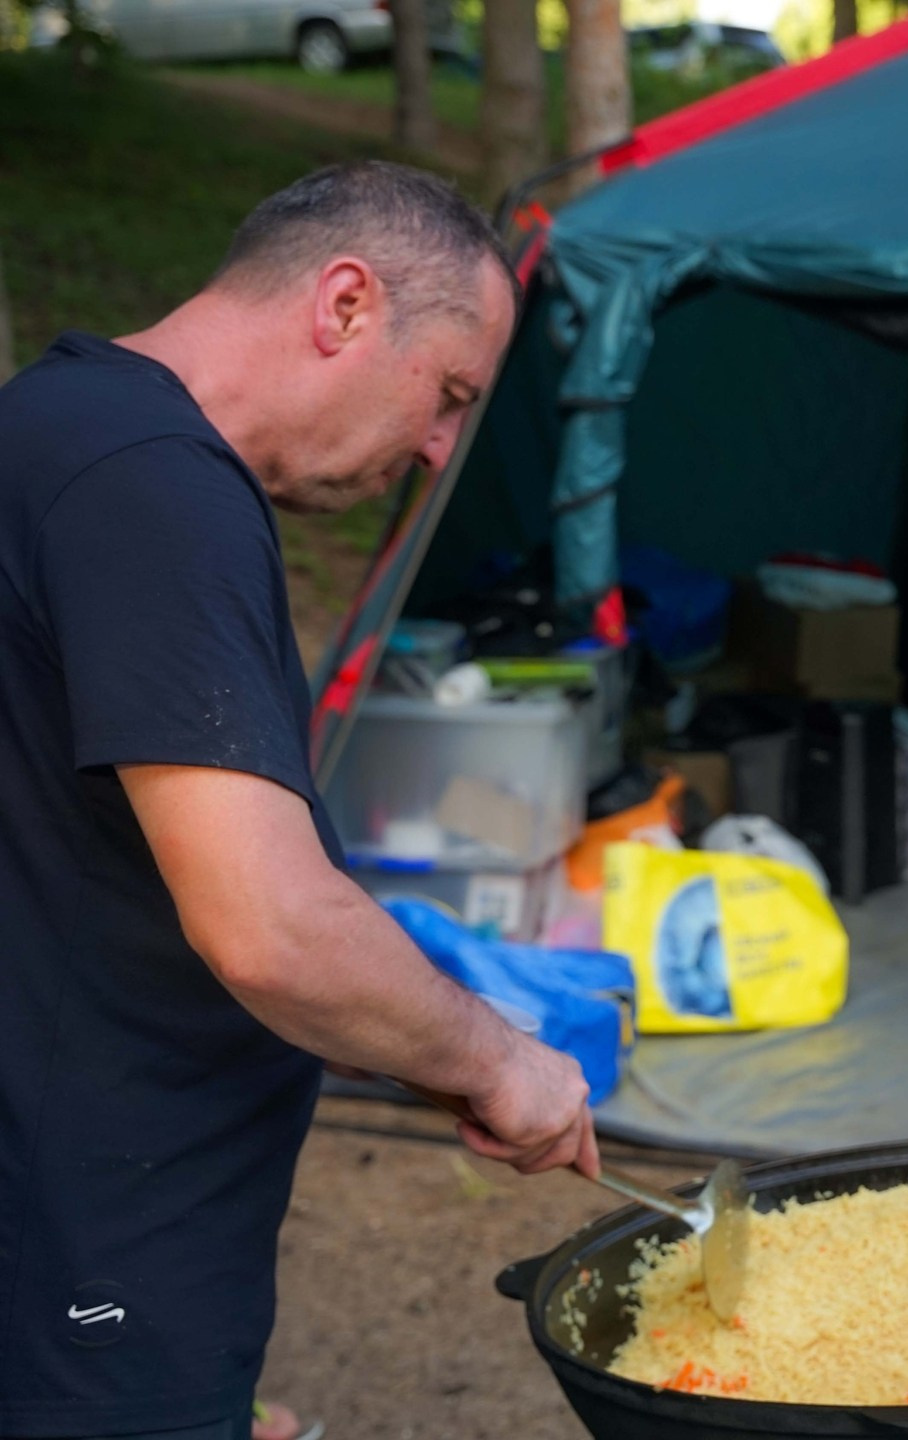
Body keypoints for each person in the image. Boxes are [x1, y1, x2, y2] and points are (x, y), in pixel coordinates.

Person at [0, 162, 600, 1440]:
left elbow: (90, 863)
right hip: (84, 1242)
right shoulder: (153, 488)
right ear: (344, 305)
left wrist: (409, 1035)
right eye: (447, 397)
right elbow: (266, 922)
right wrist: (501, 1058)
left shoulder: (55, 425)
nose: (441, 450)